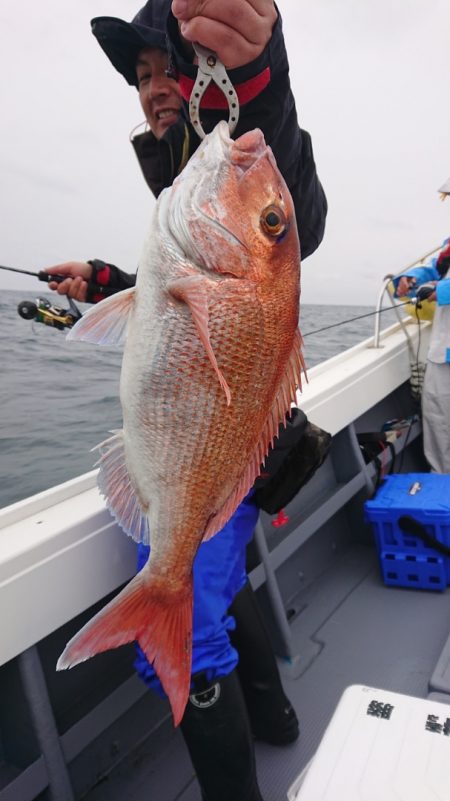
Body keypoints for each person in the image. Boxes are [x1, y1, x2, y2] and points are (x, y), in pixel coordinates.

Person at [44, 3, 328, 799]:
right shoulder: (179, 169)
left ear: (203, 73)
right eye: (139, 77)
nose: (153, 90)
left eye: (164, 68)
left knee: (192, 628)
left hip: (218, 439)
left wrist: (260, 84)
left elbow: (295, 209)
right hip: (213, 439)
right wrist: (104, 282)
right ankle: (277, 722)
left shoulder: (223, 144)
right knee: (214, 576)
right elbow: (176, 291)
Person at [393, 223, 450, 474]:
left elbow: (441, 287)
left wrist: (442, 290)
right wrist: (409, 280)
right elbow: (433, 268)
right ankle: (442, 488)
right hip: (442, 352)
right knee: (437, 419)